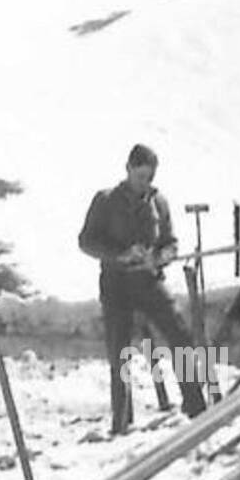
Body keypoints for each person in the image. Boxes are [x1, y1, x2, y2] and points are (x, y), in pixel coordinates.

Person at [78, 144, 208, 434]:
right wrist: (119, 254)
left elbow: (170, 242)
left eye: (148, 177)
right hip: (116, 285)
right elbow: (87, 241)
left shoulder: (158, 202)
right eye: (139, 176)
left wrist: (162, 256)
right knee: (120, 354)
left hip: (149, 282)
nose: (144, 183)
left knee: (181, 337)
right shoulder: (105, 201)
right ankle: (121, 421)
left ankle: (195, 405)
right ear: (127, 169)